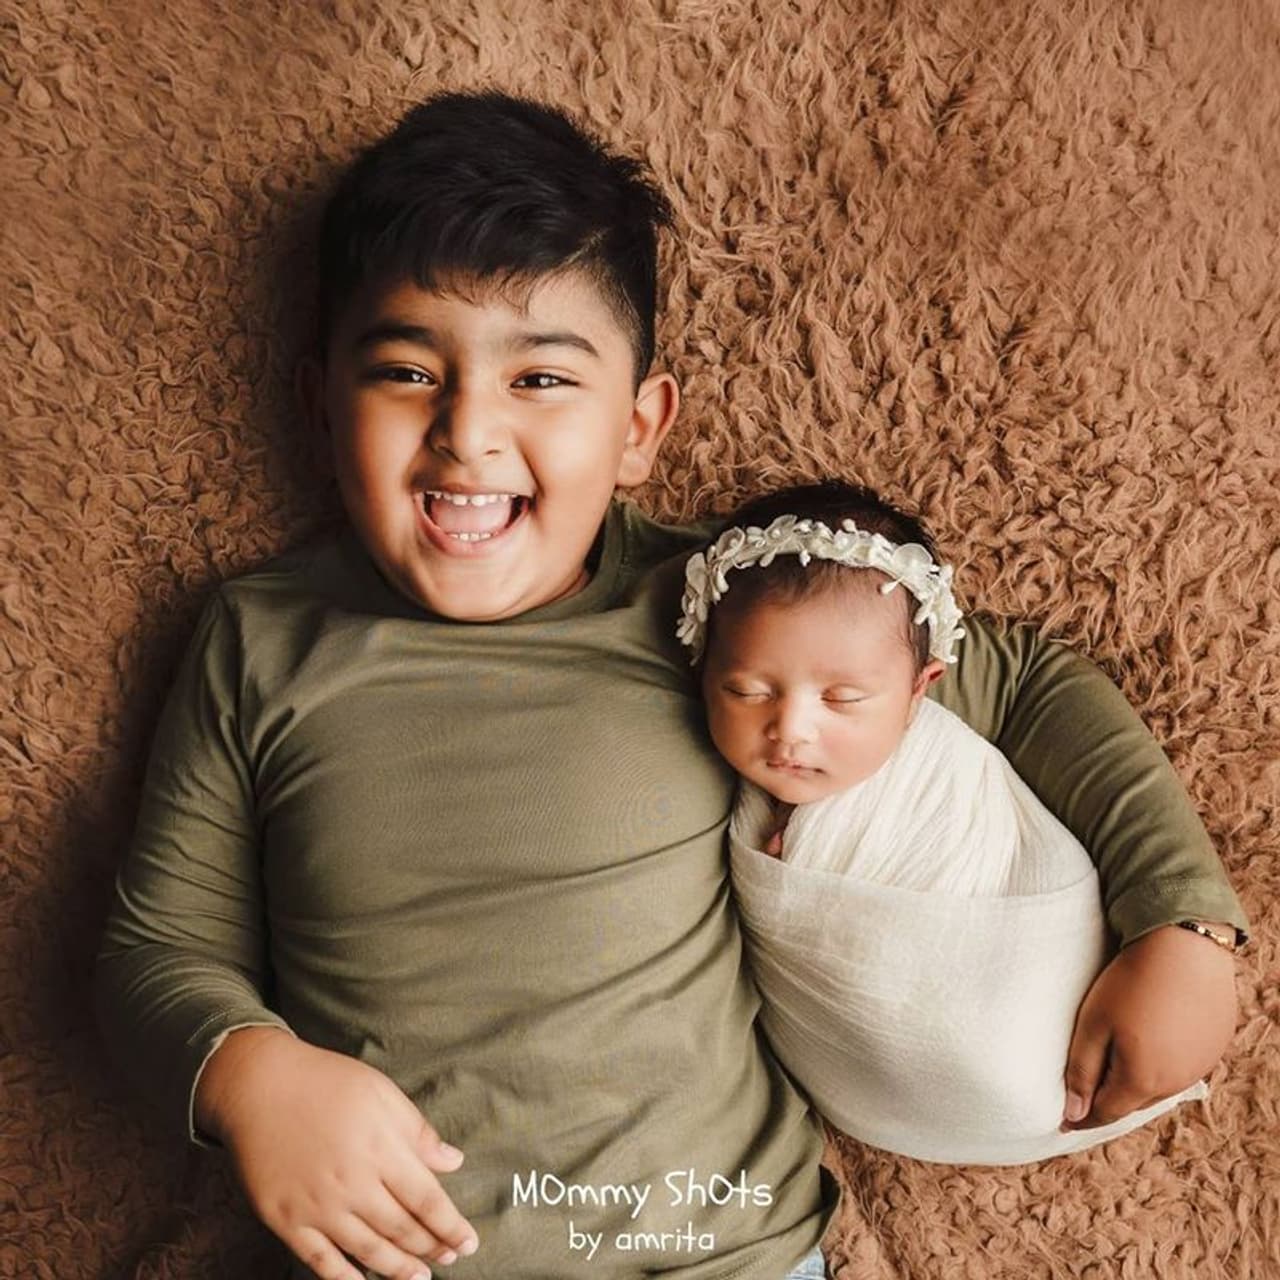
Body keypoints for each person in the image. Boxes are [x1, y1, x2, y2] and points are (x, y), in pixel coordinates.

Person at [93, 91, 1248, 1280]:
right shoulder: (262, 639)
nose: (466, 433)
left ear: (639, 426)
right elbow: (157, 944)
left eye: (540, 379)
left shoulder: (715, 604)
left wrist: (1184, 920)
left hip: (725, 1252)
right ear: (318, 403)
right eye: (404, 370)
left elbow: (1032, 684)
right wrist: (249, 1071)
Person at [680, 481, 1239, 1166]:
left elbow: (1031, 687)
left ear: (921, 689)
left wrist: (1188, 924)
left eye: (844, 698)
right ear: (702, 666)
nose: (791, 729)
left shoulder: (932, 732)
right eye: (746, 690)